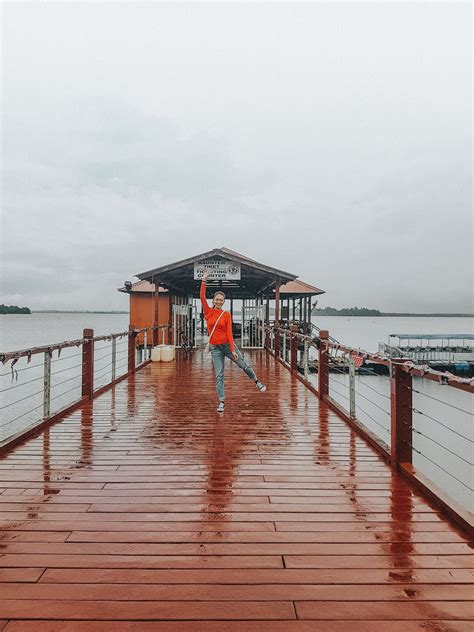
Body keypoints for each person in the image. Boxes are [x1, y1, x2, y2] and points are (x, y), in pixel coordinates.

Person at [200, 271, 266, 412]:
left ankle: (256, 381)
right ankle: (222, 401)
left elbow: (229, 333)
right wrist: (204, 281)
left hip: (227, 345)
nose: (218, 301)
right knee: (219, 375)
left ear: (223, 302)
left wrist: (233, 350)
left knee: (243, 365)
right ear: (213, 300)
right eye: (217, 299)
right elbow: (201, 297)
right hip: (215, 348)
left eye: (221, 300)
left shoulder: (226, 315)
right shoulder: (208, 312)